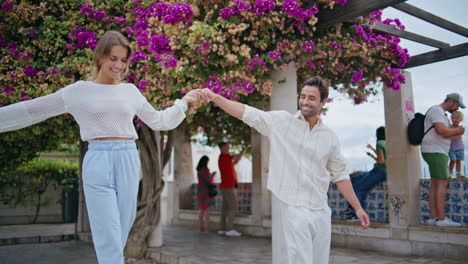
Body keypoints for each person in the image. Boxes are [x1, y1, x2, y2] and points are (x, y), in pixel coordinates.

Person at [0, 31, 205, 264]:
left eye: (123, 60)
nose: (118, 65)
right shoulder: (78, 91)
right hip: (97, 160)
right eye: (113, 58)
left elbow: (160, 121)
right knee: (107, 232)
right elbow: (33, 109)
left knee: (120, 231)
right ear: (100, 57)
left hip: (128, 158)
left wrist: (183, 102)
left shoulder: (130, 91)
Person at [202, 76, 370, 264]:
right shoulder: (281, 122)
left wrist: (357, 208)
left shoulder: (330, 137)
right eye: (303, 96)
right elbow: (246, 112)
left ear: (323, 102)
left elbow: (340, 176)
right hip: (292, 207)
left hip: (321, 210)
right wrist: (216, 98)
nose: (305, 101)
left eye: (312, 98)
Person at [422, 93, 465, 228]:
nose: (457, 108)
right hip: (436, 151)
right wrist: (458, 129)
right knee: (442, 183)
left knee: (435, 183)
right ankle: (441, 219)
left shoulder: (441, 113)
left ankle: (432, 217)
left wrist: (457, 133)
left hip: (435, 151)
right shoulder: (437, 111)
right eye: (457, 105)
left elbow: (443, 134)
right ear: (451, 101)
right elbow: (441, 131)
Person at [345, 126, 387, 221]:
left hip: (380, 171)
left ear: (378, 134)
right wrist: (372, 149)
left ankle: (357, 214)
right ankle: (351, 208)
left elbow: (380, 161)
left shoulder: (379, 143)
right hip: (382, 171)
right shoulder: (386, 143)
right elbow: (382, 155)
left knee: (359, 188)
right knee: (355, 178)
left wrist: (372, 156)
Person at [217, 142, 246, 237]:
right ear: (222, 148)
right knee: (233, 207)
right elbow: (236, 157)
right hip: (228, 187)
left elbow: (235, 161)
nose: (228, 148)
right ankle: (229, 229)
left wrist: (241, 154)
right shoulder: (225, 157)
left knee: (225, 208)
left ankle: (222, 228)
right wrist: (243, 151)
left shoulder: (224, 158)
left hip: (225, 186)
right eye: (227, 147)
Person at [195, 155, 216, 232]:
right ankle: (206, 228)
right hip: (206, 192)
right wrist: (212, 175)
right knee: (207, 211)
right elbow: (209, 179)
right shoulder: (205, 169)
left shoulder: (199, 170)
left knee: (201, 210)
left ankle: (201, 228)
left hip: (200, 191)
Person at [448, 111, 465, 178]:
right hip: (451, 148)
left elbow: (457, 136)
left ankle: (458, 173)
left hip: (460, 147)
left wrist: (448, 136)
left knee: (458, 161)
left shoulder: (461, 128)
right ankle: (450, 173)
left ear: (460, 119)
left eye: (457, 118)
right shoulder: (449, 127)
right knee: (453, 160)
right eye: (453, 118)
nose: (455, 120)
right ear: (451, 118)